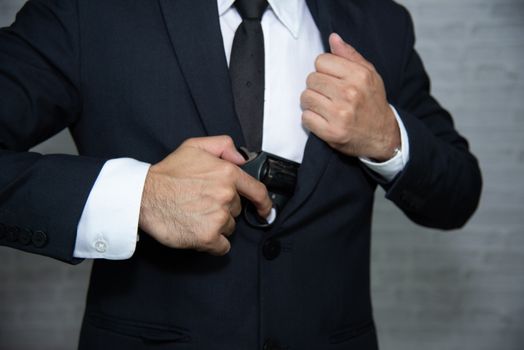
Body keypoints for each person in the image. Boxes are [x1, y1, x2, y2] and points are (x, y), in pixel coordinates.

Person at [0, 0, 481, 349]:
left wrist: (387, 137)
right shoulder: (86, 11)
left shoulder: (381, 22)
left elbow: (459, 193)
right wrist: (139, 198)